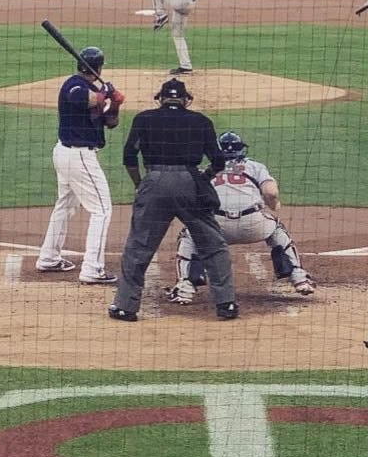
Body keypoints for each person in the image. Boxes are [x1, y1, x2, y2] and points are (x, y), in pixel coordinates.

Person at [110, 77, 237, 322]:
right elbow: (219, 161)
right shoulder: (201, 121)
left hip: (154, 181)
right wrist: (202, 178)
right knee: (213, 244)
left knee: (138, 247)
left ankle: (126, 307)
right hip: (190, 182)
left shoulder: (144, 118)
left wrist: (141, 184)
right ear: (186, 100)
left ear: (160, 98)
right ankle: (226, 304)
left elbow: (129, 156)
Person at [166, 129, 314, 303]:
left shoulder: (205, 170)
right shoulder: (255, 166)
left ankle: (184, 289)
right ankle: (299, 279)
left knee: (188, 234)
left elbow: (187, 199)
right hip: (253, 225)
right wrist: (274, 206)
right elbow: (271, 193)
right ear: (241, 150)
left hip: (216, 227)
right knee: (277, 229)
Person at [35, 45, 124, 284]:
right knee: (102, 210)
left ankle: (49, 258)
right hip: (77, 156)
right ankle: (93, 269)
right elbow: (81, 99)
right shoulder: (74, 86)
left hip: (70, 156)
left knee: (65, 206)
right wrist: (106, 94)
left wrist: (115, 104)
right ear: (99, 67)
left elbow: (111, 123)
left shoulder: (95, 88)